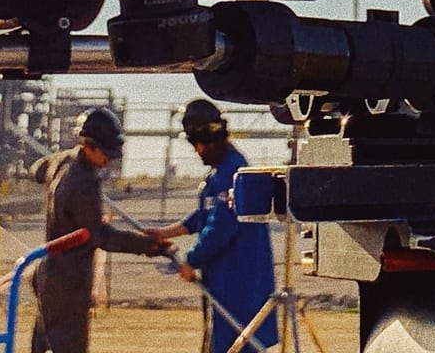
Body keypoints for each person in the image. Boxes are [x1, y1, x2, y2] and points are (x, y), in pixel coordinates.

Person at [30, 107, 167, 353]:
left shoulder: (62, 161)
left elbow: (36, 169)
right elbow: (101, 237)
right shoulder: (84, 181)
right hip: (68, 282)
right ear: (88, 145)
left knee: (43, 345)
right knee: (68, 348)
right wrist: (147, 245)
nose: (109, 159)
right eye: (105, 152)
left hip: (48, 274)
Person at [147, 100, 278, 353]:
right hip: (223, 278)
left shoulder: (233, 173)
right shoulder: (219, 173)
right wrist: (166, 232)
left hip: (238, 278)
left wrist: (191, 261)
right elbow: (205, 215)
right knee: (221, 341)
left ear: (210, 141)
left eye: (199, 145)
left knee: (237, 343)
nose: (197, 151)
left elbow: (220, 228)